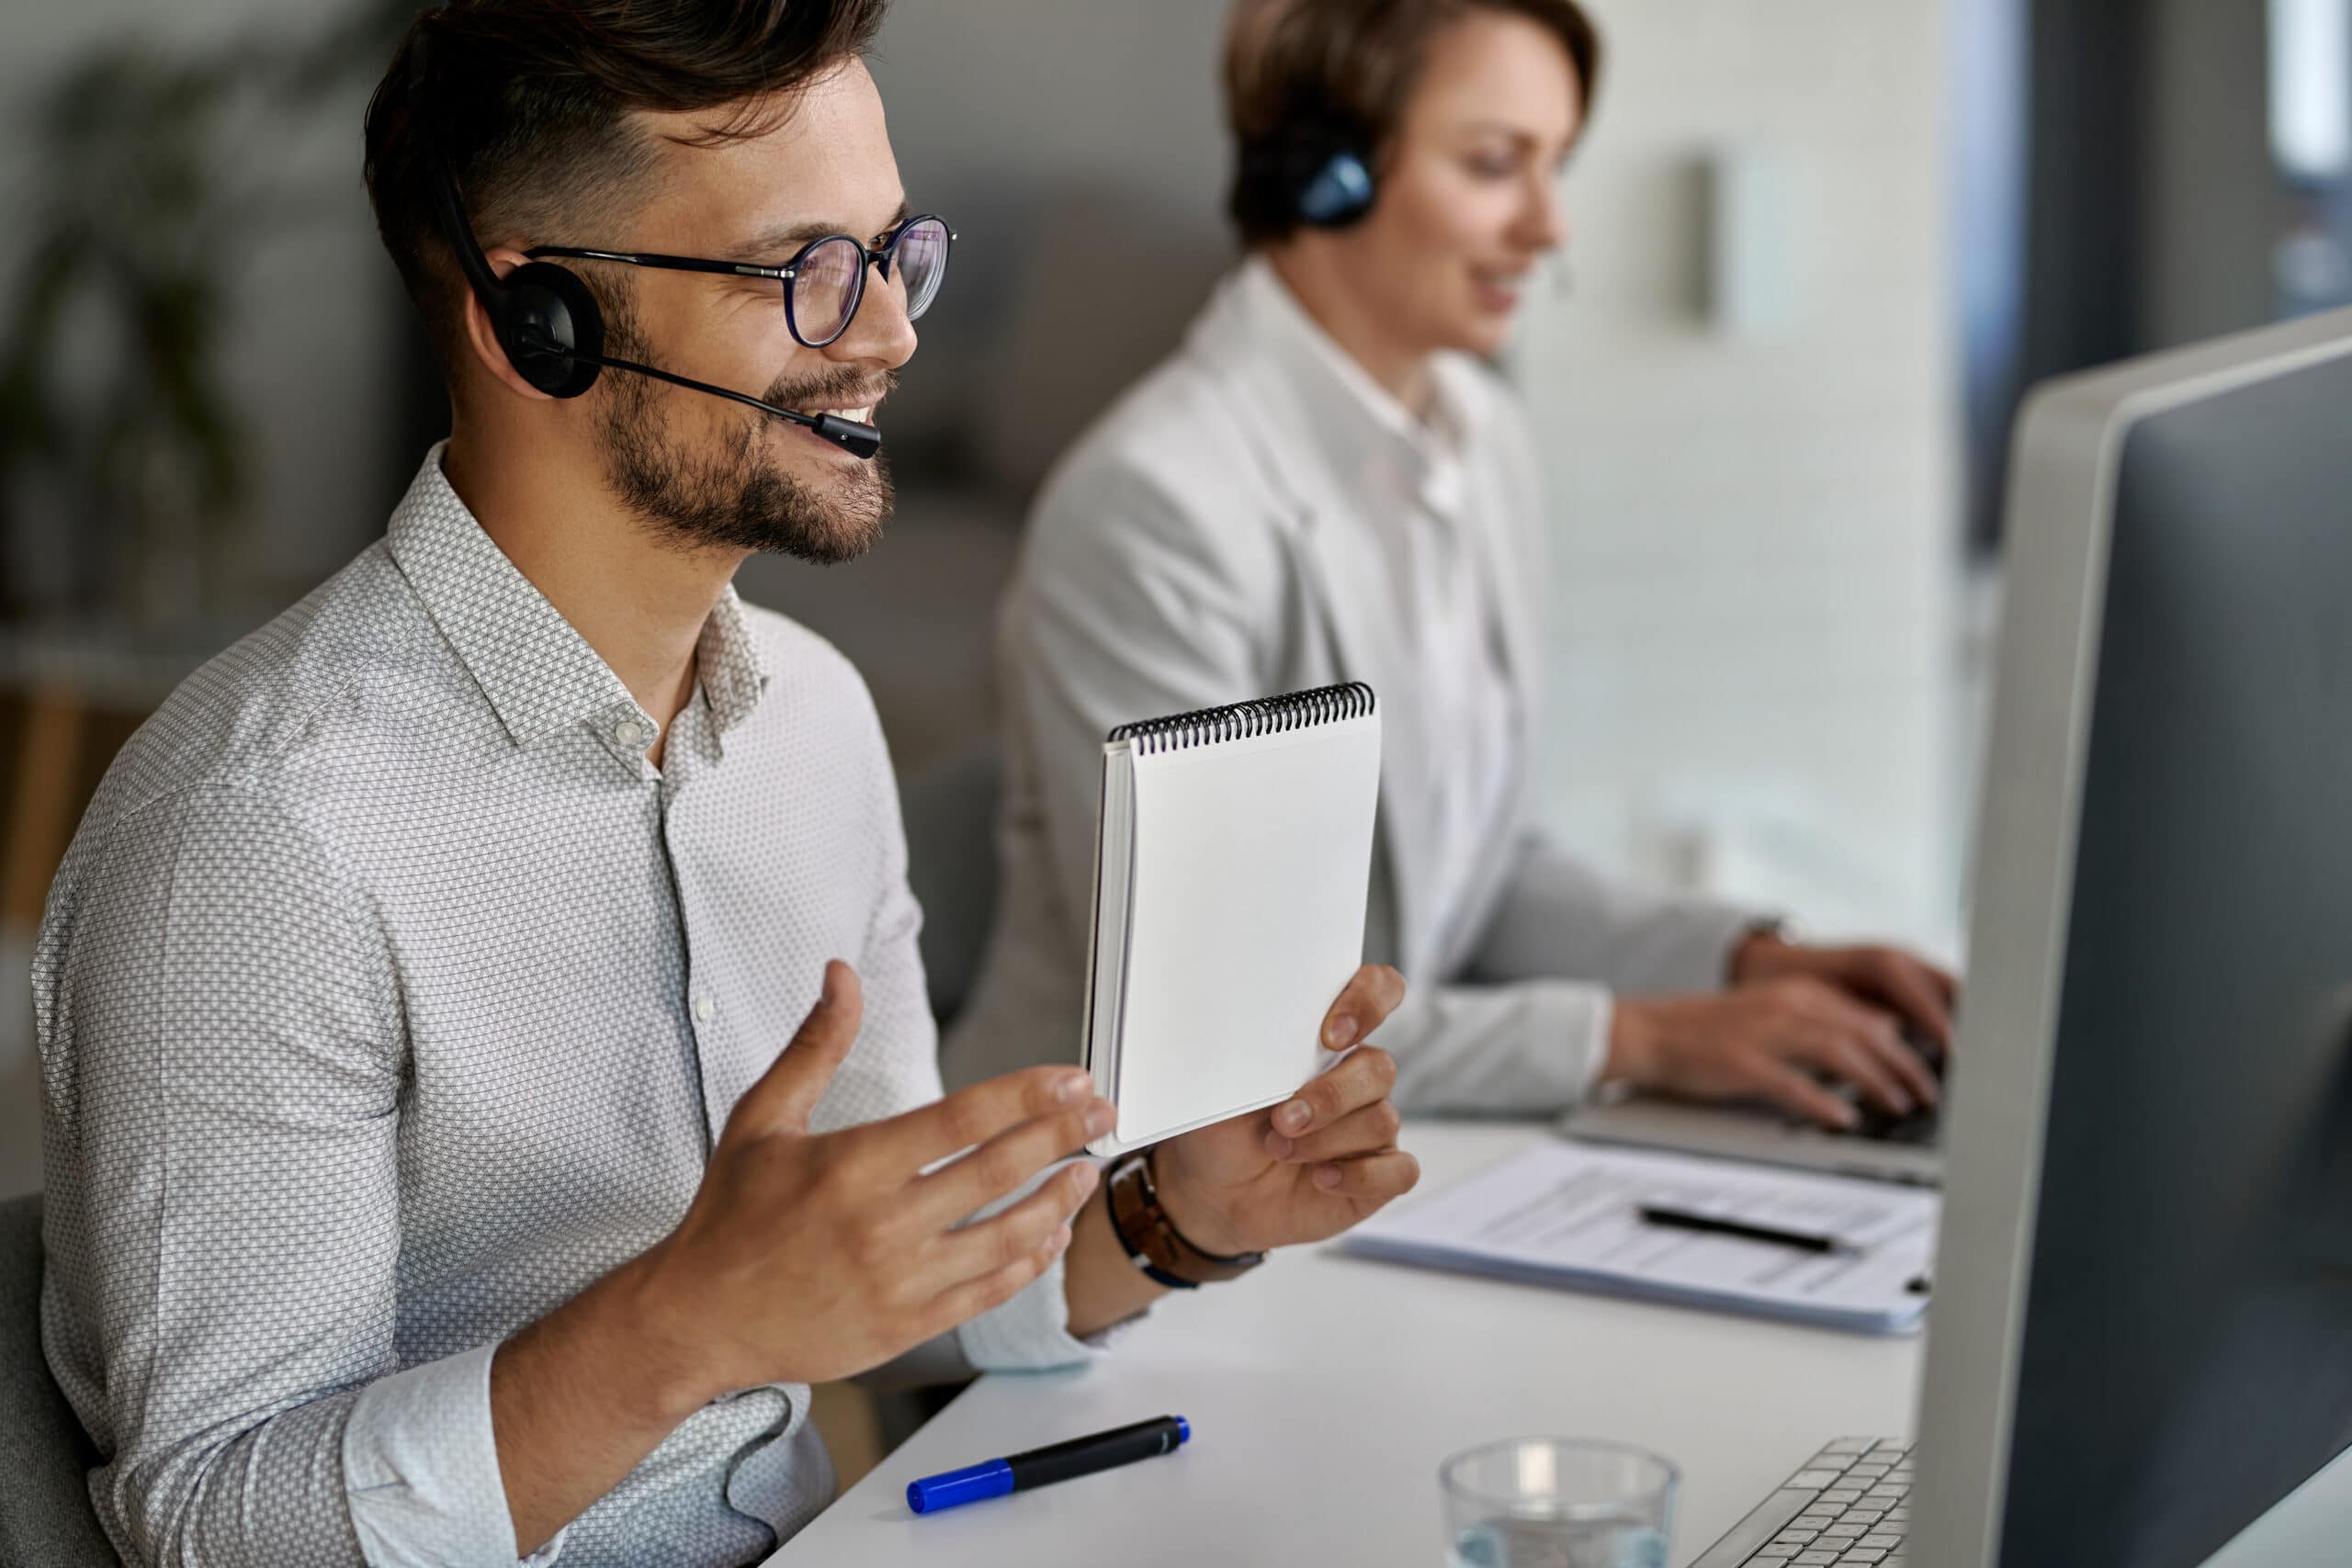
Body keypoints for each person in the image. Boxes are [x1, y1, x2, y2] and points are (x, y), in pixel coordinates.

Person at [31, 5, 1419, 1563]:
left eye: (896, 253)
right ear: (532, 319)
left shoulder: (813, 725)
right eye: (804, 273)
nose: (890, 332)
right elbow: (215, 1522)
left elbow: (896, 1287)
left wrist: (1178, 1217)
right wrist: (679, 1327)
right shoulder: (261, 839)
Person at [951, 0, 1956, 1128]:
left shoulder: (1483, 444)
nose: (1548, 226)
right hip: (1103, 1208)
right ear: (1322, 174)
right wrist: (1645, 1040)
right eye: (1493, 165)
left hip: (1371, 1166)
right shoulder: (1155, 508)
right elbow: (1232, 1019)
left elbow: (1486, 879)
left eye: (1555, 166)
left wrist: (1740, 963)